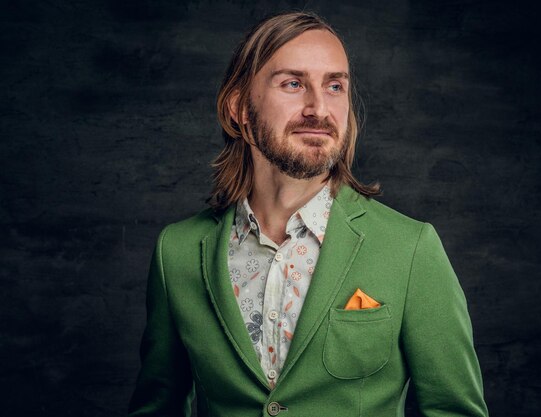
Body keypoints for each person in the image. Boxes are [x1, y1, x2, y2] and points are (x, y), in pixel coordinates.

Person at [128, 11, 488, 417]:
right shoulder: (176, 252)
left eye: (335, 86)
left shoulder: (410, 248)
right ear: (239, 108)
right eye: (294, 84)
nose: (319, 107)